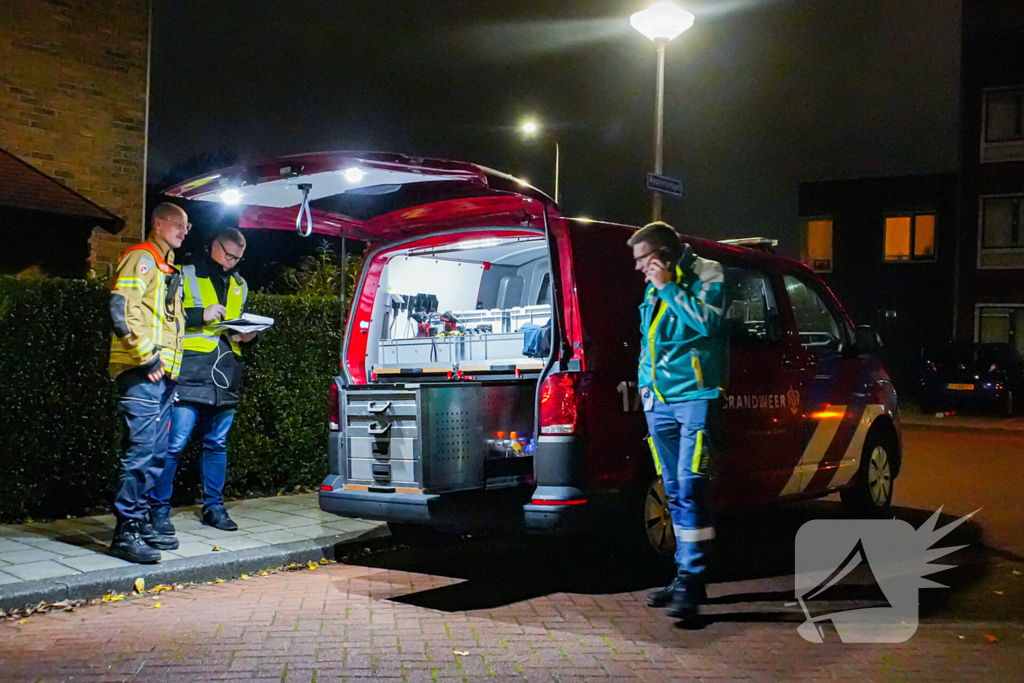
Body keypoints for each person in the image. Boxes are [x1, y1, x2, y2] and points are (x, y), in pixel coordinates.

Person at [629, 221, 727, 620]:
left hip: (696, 398)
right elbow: (649, 340)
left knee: (691, 487)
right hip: (660, 403)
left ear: (661, 255)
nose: (637, 268)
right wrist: (645, 388)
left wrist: (669, 286)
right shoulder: (654, 283)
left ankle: (693, 578)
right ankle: (684, 576)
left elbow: (707, 322)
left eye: (641, 259)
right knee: (672, 490)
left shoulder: (708, 272)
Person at [151, 228, 255, 534]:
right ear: (213, 245)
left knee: (217, 444)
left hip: (225, 374)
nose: (232, 262)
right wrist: (201, 314)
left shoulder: (240, 284)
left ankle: (214, 508)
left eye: (238, 257)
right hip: (190, 372)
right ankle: (158, 511)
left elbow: (234, 325)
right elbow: (164, 315)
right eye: (228, 254)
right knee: (174, 444)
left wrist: (244, 335)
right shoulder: (184, 272)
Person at [108, 202, 189, 564]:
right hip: (143, 371)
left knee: (155, 454)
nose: (184, 231)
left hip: (162, 375)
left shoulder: (165, 266)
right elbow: (120, 309)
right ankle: (125, 532)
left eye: (188, 227)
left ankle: (138, 524)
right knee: (141, 452)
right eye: (178, 224)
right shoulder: (141, 257)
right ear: (158, 223)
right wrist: (148, 357)